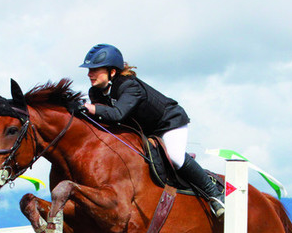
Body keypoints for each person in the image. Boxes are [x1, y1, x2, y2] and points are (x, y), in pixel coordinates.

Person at [80, 43, 225, 218]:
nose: (90, 74)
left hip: (169, 123)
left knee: (175, 156)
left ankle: (215, 195)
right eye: (89, 70)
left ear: (112, 72)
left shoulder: (129, 86)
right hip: (145, 130)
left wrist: (92, 109)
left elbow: (118, 114)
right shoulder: (95, 92)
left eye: (95, 69)